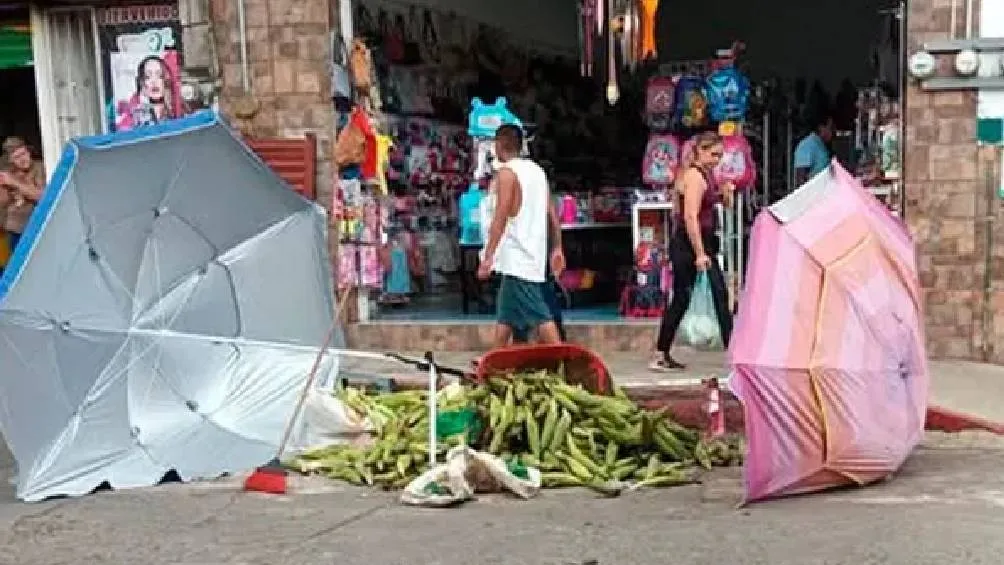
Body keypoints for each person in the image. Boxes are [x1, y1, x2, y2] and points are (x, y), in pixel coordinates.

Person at [650, 131, 733, 371]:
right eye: (714, 154)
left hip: (701, 243)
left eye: (720, 155)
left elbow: (714, 206)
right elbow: (690, 216)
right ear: (702, 152)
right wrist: (699, 253)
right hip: (689, 244)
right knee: (684, 297)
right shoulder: (695, 177)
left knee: (717, 294)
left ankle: (732, 349)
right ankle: (660, 352)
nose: (717, 160)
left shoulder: (706, 176)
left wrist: (725, 195)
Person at [477, 124, 564, 346]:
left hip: (518, 258)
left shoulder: (508, 174)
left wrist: (487, 256)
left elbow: (501, 217)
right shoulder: (536, 171)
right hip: (530, 254)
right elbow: (552, 213)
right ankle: (495, 362)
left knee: (541, 316)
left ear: (498, 145)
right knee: (505, 315)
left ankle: (564, 360)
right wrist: (557, 247)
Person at [0, 137, 45, 256]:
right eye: (16, 157)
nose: (22, 159)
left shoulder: (40, 168)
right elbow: (3, 203)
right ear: (10, 160)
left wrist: (14, 182)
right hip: (15, 232)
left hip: (36, 229)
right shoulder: (9, 172)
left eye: (23, 154)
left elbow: (42, 197)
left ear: (29, 151)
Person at [116, 55, 176, 131]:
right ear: (141, 82)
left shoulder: (176, 108)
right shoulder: (132, 114)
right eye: (147, 77)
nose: (154, 81)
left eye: (160, 76)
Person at [793, 114, 834, 186]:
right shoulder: (807, 145)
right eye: (830, 128)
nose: (833, 132)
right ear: (821, 128)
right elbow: (801, 178)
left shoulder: (821, 145)